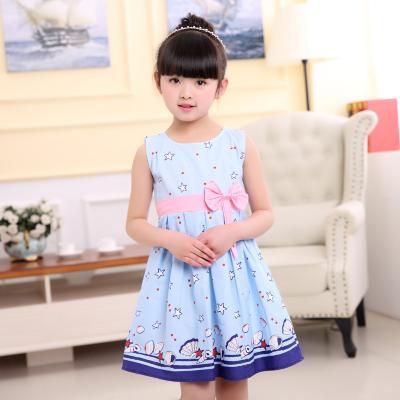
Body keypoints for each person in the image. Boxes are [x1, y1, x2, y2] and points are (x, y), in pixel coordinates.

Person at [121, 13, 304, 400]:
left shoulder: (239, 144)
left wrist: (231, 231)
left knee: (235, 380)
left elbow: (265, 214)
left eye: (200, 82)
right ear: (158, 81)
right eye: (175, 80)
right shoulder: (150, 151)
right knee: (195, 385)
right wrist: (171, 240)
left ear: (221, 87)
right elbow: (135, 223)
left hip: (233, 277)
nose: (186, 93)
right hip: (181, 280)